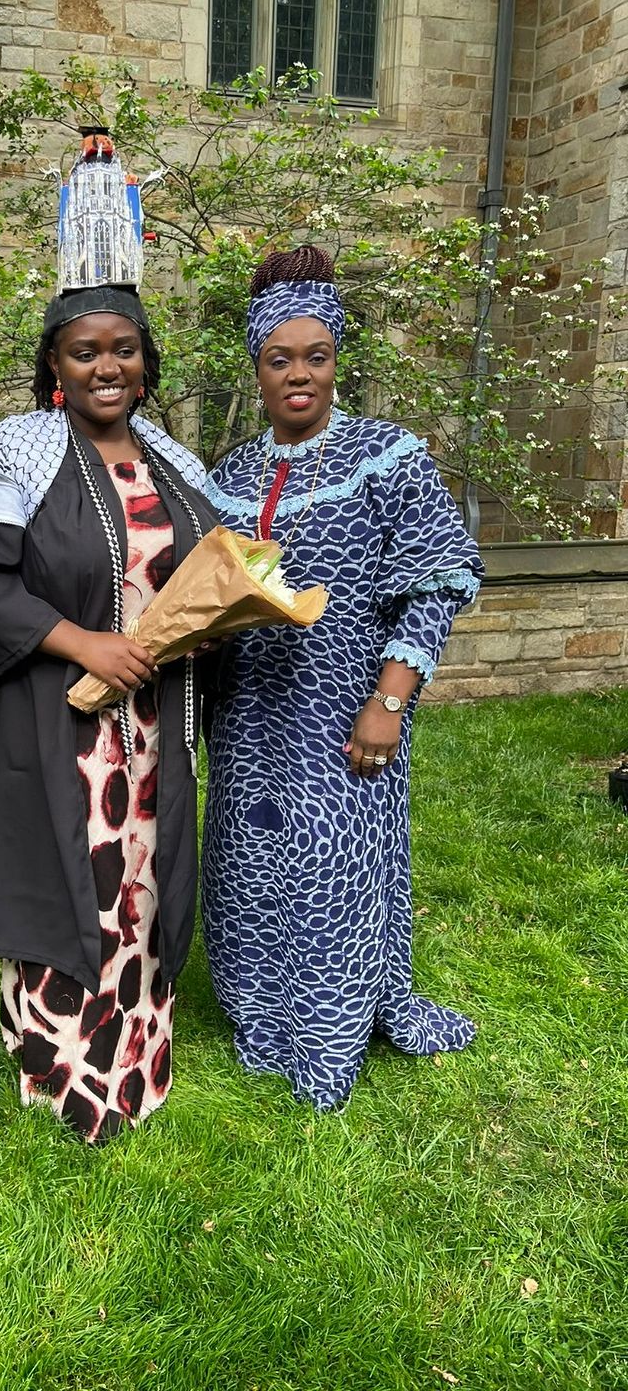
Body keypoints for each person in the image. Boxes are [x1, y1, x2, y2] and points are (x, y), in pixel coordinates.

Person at [201, 244, 483, 1111]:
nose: (300, 375)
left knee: (333, 870)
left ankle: (326, 1037)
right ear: (256, 369)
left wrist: (389, 699)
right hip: (249, 717)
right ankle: (260, 1018)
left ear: (337, 360)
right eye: (279, 359)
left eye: (315, 356)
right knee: (248, 867)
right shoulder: (232, 474)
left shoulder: (386, 456)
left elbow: (438, 582)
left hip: (344, 712)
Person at [0, 285, 219, 1143]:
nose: (107, 365)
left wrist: (214, 627)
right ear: (55, 368)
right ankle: (63, 1073)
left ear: (146, 364)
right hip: (59, 719)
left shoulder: (176, 461)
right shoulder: (20, 448)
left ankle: (138, 1059)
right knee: (70, 876)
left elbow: (213, 576)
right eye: (84, 352)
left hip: (155, 722)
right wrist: (84, 643)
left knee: (144, 883)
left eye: (124, 350)